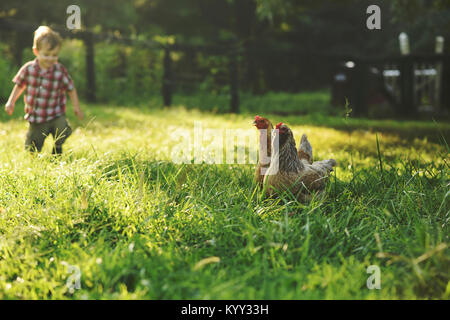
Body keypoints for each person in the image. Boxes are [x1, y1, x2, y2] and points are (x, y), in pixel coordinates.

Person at [4, 26, 84, 155]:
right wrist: (11, 101)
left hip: (56, 113)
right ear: (36, 51)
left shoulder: (59, 70)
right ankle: (34, 158)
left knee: (62, 130)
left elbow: (71, 88)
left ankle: (57, 149)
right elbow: (19, 85)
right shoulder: (28, 69)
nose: (50, 59)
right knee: (33, 147)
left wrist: (76, 107)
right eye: (46, 54)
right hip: (37, 116)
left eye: (55, 55)